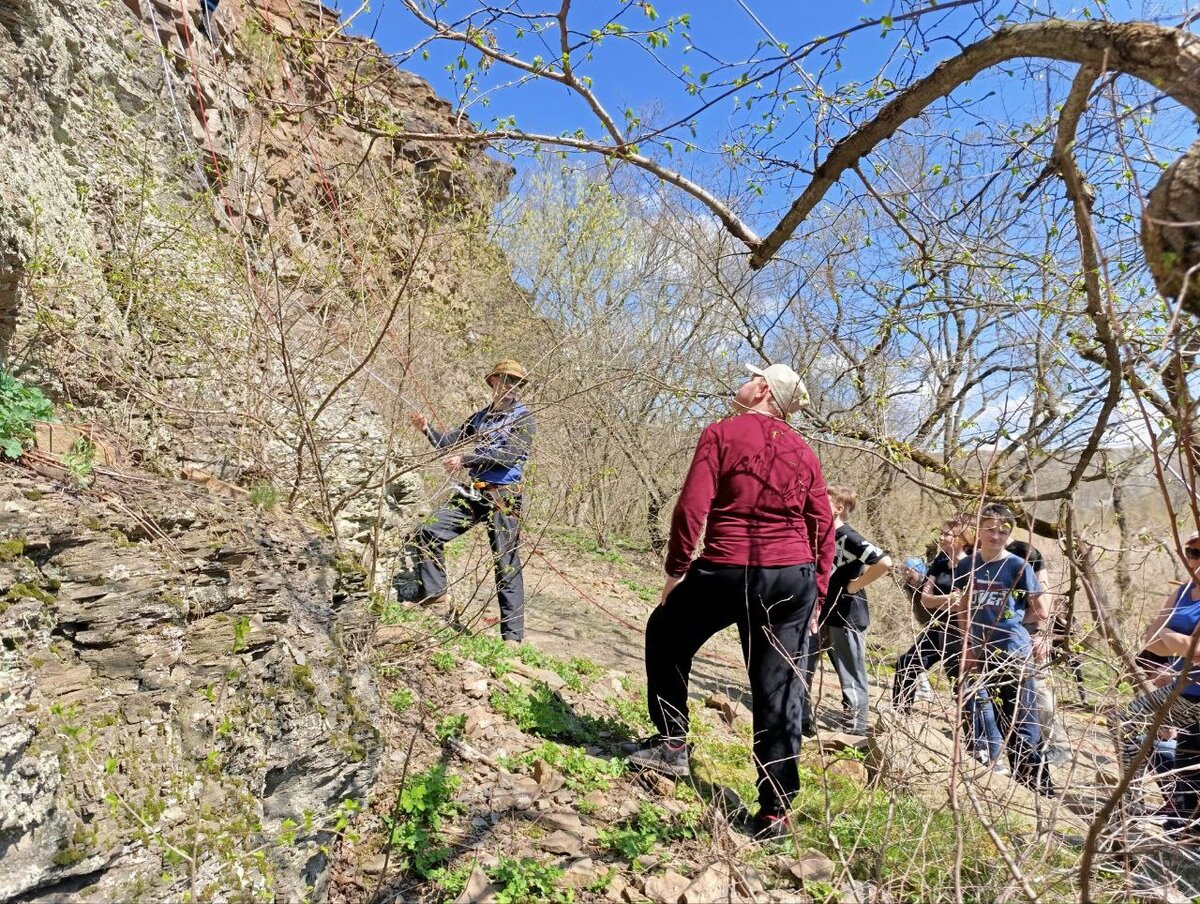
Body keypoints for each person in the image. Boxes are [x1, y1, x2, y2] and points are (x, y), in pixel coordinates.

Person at [627, 362, 835, 840]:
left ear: (762, 389)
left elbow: (692, 506)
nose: (739, 383)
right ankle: (775, 811)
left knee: (666, 632)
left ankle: (672, 743)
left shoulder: (722, 432)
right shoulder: (804, 451)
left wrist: (677, 568)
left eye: (749, 377)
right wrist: (817, 593)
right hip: (791, 578)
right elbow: (821, 525)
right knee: (777, 688)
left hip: (729, 568)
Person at [406, 359, 535, 642]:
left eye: (516, 383)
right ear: (493, 382)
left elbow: (508, 456)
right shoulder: (481, 417)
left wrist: (465, 459)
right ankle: (435, 598)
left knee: (506, 563)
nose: (510, 387)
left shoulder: (525, 419)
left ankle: (512, 638)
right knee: (427, 532)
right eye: (505, 381)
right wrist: (426, 429)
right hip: (475, 492)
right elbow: (448, 443)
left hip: (505, 496)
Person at [951, 503, 1052, 792]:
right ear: (979, 530)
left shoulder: (1016, 566)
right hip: (982, 649)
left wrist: (1035, 632)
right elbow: (963, 606)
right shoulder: (966, 564)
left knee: (1022, 721)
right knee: (995, 715)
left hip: (1012, 650)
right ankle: (1011, 784)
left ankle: (1034, 785)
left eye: (1003, 531)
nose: (996, 536)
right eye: (991, 529)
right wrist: (967, 644)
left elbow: (1041, 608)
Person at [891, 515, 1002, 767]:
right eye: (941, 533)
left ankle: (980, 747)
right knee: (906, 665)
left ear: (964, 539)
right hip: (938, 628)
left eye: (947, 534)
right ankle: (900, 719)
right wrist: (949, 600)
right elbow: (925, 599)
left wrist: (953, 600)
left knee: (965, 689)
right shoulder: (940, 562)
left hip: (963, 634)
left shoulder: (975, 564)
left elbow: (968, 601)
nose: (941, 537)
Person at [1113, 534, 1200, 829]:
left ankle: (1184, 825)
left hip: (1195, 695)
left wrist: (1172, 641)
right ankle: (1132, 802)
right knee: (1127, 723)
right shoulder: (1183, 591)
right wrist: (1174, 644)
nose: (1194, 559)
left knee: (1188, 765)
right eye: (1191, 552)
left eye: (1199, 553)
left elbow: (1196, 652)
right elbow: (1151, 636)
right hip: (1180, 690)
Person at [800, 485, 891, 735]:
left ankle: (854, 729)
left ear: (839, 508)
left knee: (850, 673)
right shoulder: (818, 533)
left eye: (823, 501)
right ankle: (801, 720)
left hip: (848, 614)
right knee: (802, 664)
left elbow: (884, 562)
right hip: (819, 612)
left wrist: (856, 585)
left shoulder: (849, 537)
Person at [1008, 538, 1070, 765]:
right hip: (1005, 633)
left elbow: (1045, 596)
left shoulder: (1024, 551)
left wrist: (1042, 633)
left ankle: (1058, 745)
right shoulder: (981, 554)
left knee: (1038, 688)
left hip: (1030, 631)